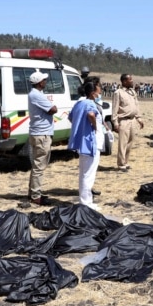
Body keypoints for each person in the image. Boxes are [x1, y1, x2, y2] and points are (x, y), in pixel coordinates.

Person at [69, 81, 104, 210]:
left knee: (84, 172)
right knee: (89, 173)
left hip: (82, 142)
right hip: (91, 142)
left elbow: (71, 117)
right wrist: (94, 126)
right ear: (92, 92)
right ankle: (86, 202)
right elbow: (90, 115)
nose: (100, 91)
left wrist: (80, 127)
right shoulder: (89, 104)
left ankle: (85, 199)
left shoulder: (79, 103)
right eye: (98, 89)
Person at [27, 71, 58, 205]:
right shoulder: (36, 95)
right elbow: (53, 109)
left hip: (37, 133)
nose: (46, 81)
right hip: (42, 134)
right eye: (44, 80)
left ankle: (33, 192)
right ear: (40, 82)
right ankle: (35, 196)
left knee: (36, 165)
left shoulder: (35, 94)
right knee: (39, 166)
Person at [112, 74, 144, 171]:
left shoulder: (132, 92)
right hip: (123, 121)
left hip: (133, 120)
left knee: (130, 143)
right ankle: (121, 164)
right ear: (124, 81)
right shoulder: (118, 93)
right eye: (130, 79)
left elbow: (136, 106)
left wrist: (139, 118)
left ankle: (126, 162)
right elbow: (114, 109)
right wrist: (115, 123)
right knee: (123, 143)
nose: (132, 81)